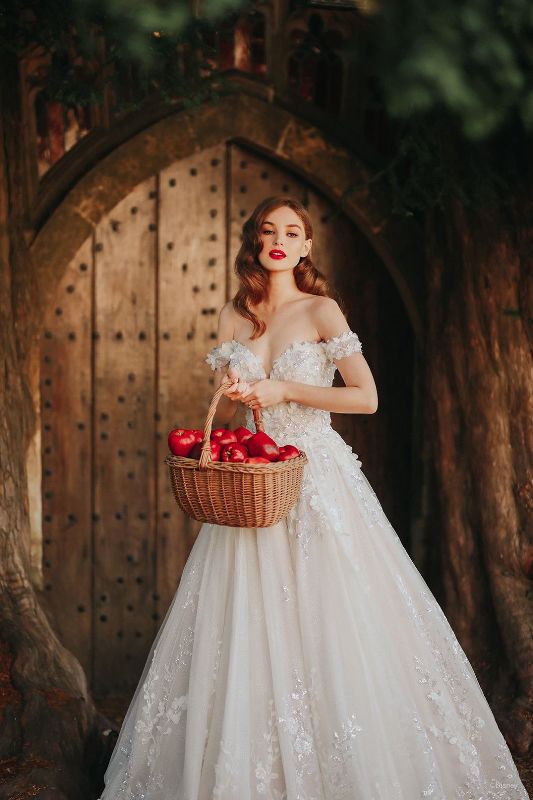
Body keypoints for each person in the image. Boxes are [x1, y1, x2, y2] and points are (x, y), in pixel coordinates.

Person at [97, 196, 529, 799]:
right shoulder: (233, 314)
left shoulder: (322, 310)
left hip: (316, 477)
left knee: (333, 615)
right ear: (255, 242)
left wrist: (285, 390)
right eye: (269, 230)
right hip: (255, 482)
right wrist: (240, 392)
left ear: (305, 248)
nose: (280, 239)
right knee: (243, 620)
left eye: (293, 231)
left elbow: (366, 398)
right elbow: (227, 398)